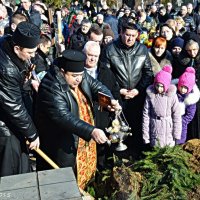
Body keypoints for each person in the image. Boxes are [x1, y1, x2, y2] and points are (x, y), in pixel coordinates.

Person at [35, 49, 121, 189]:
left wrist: (109, 100)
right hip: (62, 144)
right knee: (64, 185)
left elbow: (96, 86)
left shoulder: (80, 75)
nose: (78, 79)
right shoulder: (50, 85)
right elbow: (63, 116)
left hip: (82, 140)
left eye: (81, 75)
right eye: (74, 76)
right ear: (62, 72)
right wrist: (91, 131)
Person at [102, 21, 153, 159]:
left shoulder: (142, 49)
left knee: (137, 127)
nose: (130, 38)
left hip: (137, 96)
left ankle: (136, 157)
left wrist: (138, 90)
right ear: (121, 33)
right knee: (118, 128)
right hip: (118, 96)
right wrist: (119, 90)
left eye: (133, 35)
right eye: (127, 35)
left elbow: (148, 73)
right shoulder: (110, 49)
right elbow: (105, 74)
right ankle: (118, 158)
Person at [0, 21, 40, 177]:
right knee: (12, 167)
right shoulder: (6, 69)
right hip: (4, 125)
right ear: (17, 48)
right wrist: (32, 134)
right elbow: (13, 105)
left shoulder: (9, 40)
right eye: (30, 53)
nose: (33, 56)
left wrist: (30, 81)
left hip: (11, 117)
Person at [83, 41, 121, 170]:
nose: (92, 58)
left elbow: (114, 91)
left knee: (102, 149)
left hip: (102, 116)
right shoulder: (77, 71)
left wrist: (113, 104)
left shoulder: (105, 71)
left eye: (96, 56)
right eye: (89, 55)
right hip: (84, 116)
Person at [142, 65, 182, 148]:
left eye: (162, 86)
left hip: (168, 128)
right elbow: (146, 116)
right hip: (155, 127)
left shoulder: (172, 96)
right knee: (156, 150)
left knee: (168, 151)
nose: (159, 88)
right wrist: (146, 136)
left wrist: (177, 134)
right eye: (157, 85)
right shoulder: (150, 95)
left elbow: (176, 115)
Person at [176, 67, 200, 144]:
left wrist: (183, 121)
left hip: (181, 125)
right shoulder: (174, 94)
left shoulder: (190, 99)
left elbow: (190, 114)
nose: (183, 90)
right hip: (170, 122)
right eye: (181, 87)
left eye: (185, 88)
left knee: (180, 141)